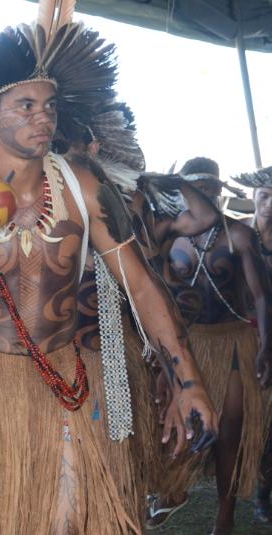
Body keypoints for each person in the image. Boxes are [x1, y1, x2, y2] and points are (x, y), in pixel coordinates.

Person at [0, 10, 217, 533]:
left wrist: (188, 381)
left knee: (68, 522)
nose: (43, 118)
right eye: (26, 106)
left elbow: (140, 285)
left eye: (49, 105)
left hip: (64, 381)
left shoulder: (83, 185)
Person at [160, 157, 272, 534]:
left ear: (218, 192)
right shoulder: (170, 236)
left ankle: (225, 513)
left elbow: (261, 295)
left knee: (229, 430)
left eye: (209, 190)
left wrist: (266, 346)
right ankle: (172, 490)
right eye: (195, 190)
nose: (202, 198)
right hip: (189, 342)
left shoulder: (237, 234)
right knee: (182, 424)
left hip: (233, 342)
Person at [230, 165, 272, 522]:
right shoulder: (239, 236)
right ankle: (252, 487)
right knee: (252, 419)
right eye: (265, 195)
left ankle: (263, 493)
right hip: (245, 340)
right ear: (254, 197)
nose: (270, 204)